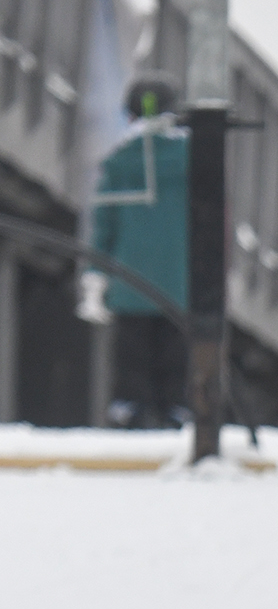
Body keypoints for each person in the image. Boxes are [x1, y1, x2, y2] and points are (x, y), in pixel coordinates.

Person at [89, 77, 190, 427]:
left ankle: (130, 410)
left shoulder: (120, 161)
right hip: (180, 281)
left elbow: (104, 221)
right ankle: (177, 410)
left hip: (129, 280)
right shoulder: (192, 159)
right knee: (176, 353)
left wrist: (95, 275)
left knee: (132, 355)